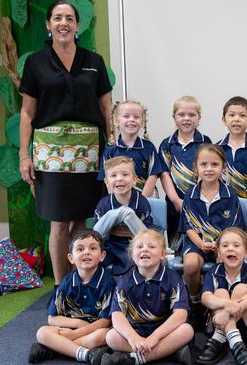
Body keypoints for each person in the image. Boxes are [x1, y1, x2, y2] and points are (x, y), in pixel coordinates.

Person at [18, 0, 113, 285]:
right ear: (48, 25)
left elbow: (106, 109)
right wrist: (24, 155)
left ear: (77, 25)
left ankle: (81, 283)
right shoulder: (35, 63)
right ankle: (61, 287)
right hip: (50, 153)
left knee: (82, 220)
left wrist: (114, 149)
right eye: (57, 18)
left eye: (69, 18)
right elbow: (27, 112)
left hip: (89, 151)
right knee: (59, 222)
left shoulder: (94, 62)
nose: (63, 23)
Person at [103, 229, 194, 365]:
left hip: (163, 332)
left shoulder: (172, 278)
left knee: (187, 330)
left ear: (163, 254)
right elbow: (117, 316)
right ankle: (167, 352)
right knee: (111, 337)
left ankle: (133, 359)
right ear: (132, 255)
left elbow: (180, 314)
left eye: (151, 246)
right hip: (136, 330)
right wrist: (133, 338)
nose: (145, 250)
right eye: (139, 247)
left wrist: (155, 338)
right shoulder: (125, 281)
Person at [179, 144, 246, 326]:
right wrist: (200, 244)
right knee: (191, 265)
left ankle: (221, 306)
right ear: (196, 167)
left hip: (225, 243)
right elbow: (189, 227)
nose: (209, 169)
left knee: (225, 262)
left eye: (214, 164)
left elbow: (234, 230)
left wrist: (221, 248)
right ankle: (195, 303)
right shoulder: (189, 196)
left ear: (223, 168)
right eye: (204, 164)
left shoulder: (230, 195)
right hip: (197, 242)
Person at [28, 230, 115, 365]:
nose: (86, 252)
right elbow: (52, 318)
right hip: (70, 329)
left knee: (105, 336)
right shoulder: (66, 282)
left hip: (94, 330)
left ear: (102, 255)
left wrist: (75, 334)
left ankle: (53, 349)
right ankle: (86, 354)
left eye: (92, 248)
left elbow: (105, 322)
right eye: (80, 249)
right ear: (71, 258)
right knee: (42, 332)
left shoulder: (108, 282)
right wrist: (78, 324)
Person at [196, 227, 247, 365]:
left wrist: (227, 312)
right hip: (217, 322)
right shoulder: (214, 271)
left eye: (236, 245)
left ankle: (219, 337)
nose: (230, 249)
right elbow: (205, 297)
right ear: (219, 253)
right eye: (225, 246)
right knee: (220, 293)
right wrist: (226, 304)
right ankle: (237, 345)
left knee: (241, 289)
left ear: (246, 253)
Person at [159, 96, 212, 244]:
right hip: (174, 203)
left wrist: (194, 198)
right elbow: (164, 174)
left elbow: (207, 171)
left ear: (199, 118)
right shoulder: (167, 144)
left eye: (191, 115)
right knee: (176, 244)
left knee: (199, 241)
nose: (186, 119)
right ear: (174, 117)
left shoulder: (205, 142)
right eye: (181, 114)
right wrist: (176, 200)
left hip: (199, 201)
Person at [93, 156, 152, 275]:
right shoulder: (104, 204)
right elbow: (96, 235)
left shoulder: (141, 202)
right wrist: (115, 214)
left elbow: (147, 236)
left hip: (133, 246)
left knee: (133, 261)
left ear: (134, 179)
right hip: (109, 246)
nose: (119, 179)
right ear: (106, 182)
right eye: (113, 176)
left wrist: (129, 216)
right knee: (94, 259)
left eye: (125, 174)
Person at [98, 100, 163, 197]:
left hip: (145, 202)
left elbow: (153, 176)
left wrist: (141, 201)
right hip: (119, 205)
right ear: (116, 121)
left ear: (142, 122)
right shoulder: (110, 151)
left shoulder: (149, 147)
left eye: (136, 117)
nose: (131, 119)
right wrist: (117, 202)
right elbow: (107, 179)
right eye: (126, 116)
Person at [216, 96, 247, 216]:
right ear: (223, 120)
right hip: (224, 206)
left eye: (242, 116)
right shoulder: (217, 148)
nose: (236, 119)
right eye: (231, 115)